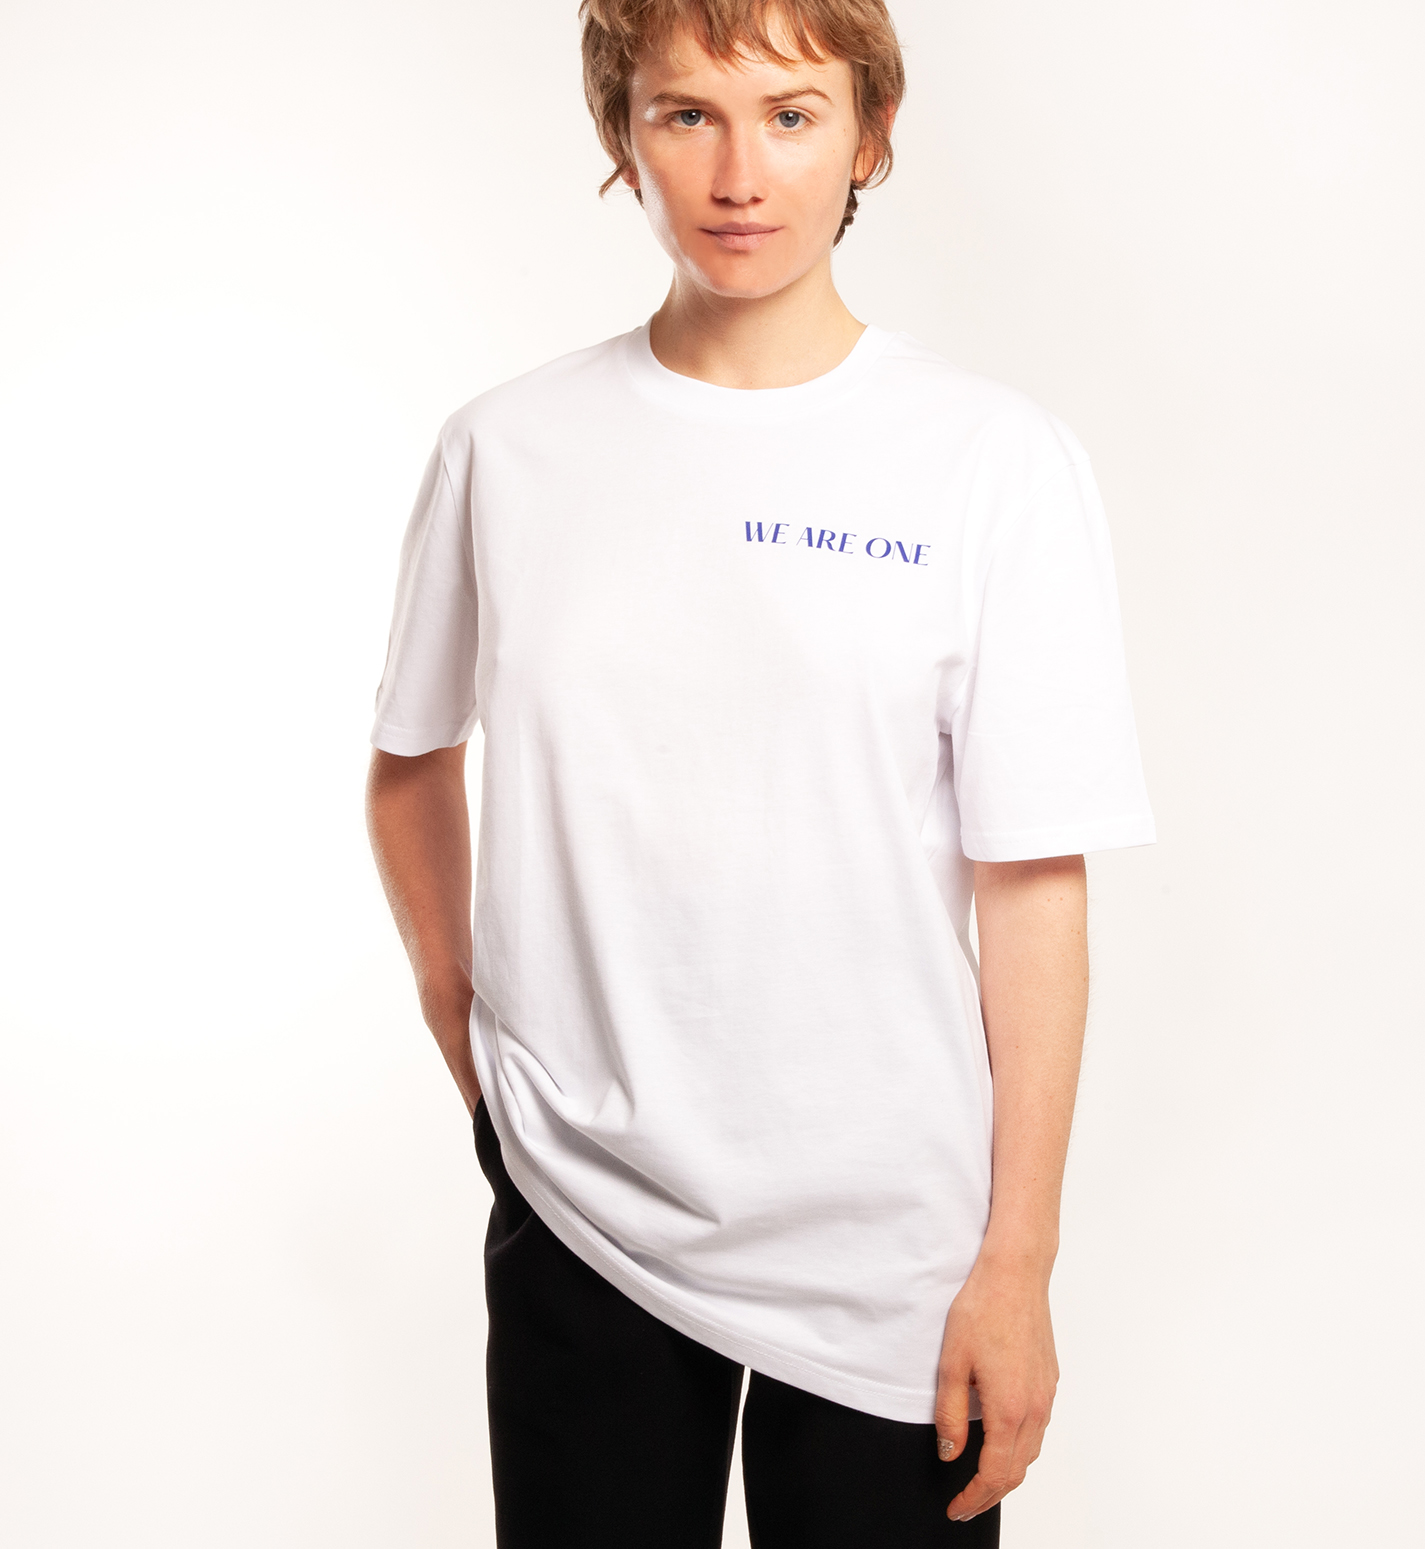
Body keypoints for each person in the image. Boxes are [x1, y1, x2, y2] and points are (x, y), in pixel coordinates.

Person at [364, 1, 1155, 1543]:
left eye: (790, 114)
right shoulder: (505, 449)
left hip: (895, 1235)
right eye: (687, 115)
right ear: (621, 137)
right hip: (585, 1199)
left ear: (868, 135)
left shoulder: (989, 461)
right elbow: (408, 762)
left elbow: (1030, 881)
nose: (740, 173)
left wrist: (1017, 1258)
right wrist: (475, 1041)